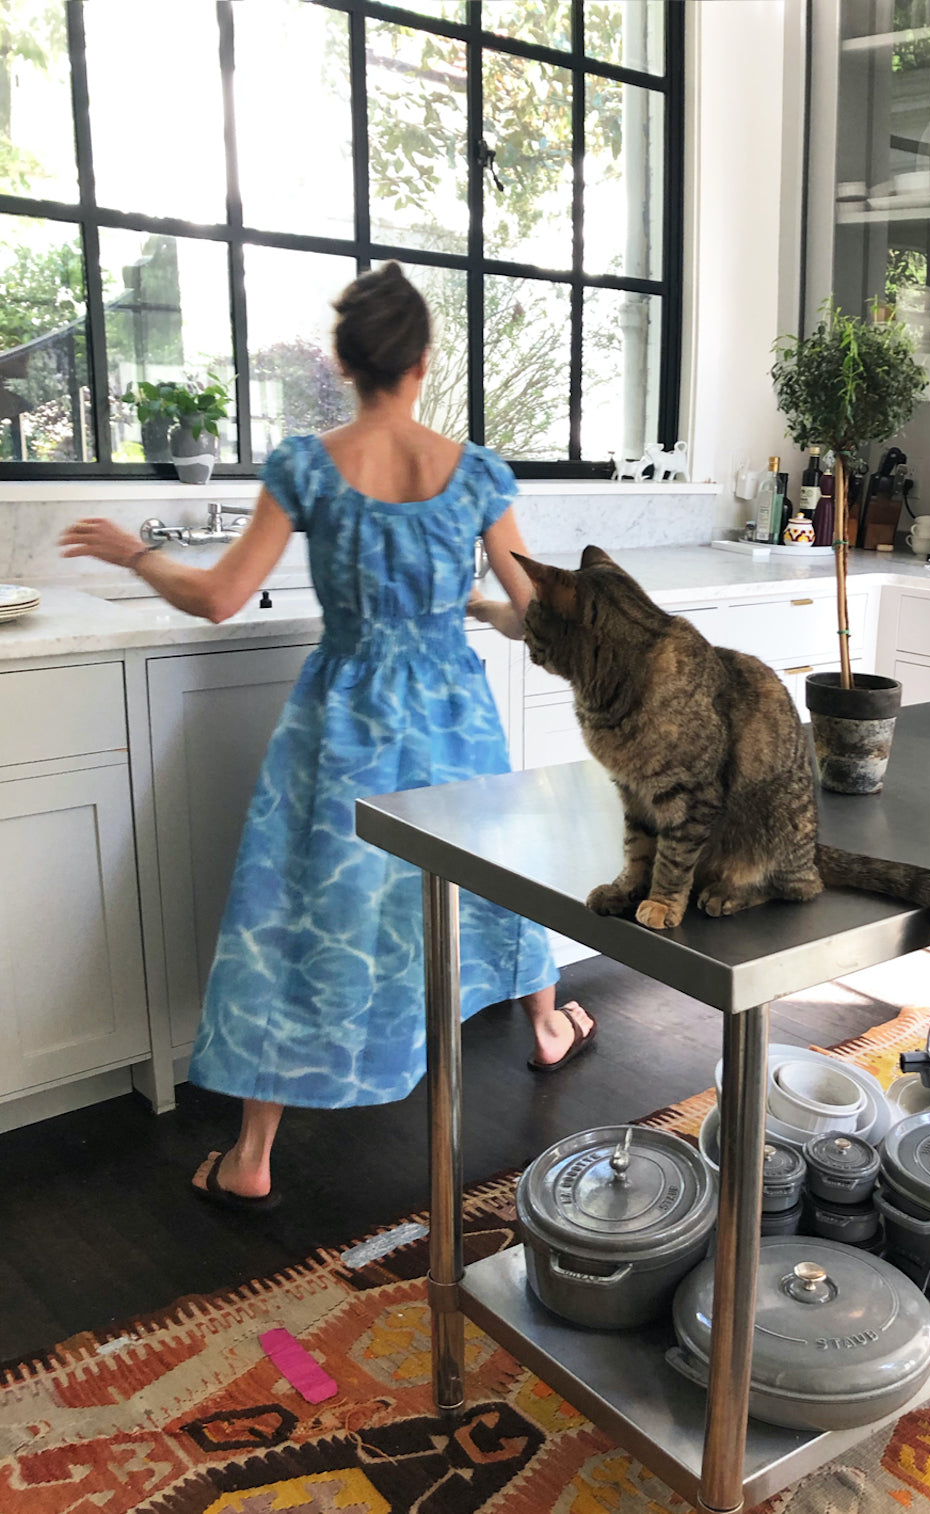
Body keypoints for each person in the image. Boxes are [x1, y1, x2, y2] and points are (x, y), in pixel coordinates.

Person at [60, 262, 596, 1213]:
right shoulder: (476, 475)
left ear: (345, 363)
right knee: (491, 876)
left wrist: (137, 552)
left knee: (300, 910)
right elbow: (540, 618)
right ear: (424, 362)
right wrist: (470, 606)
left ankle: (255, 1149)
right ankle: (548, 1029)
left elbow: (221, 597)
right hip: (450, 721)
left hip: (342, 722)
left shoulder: (307, 466)